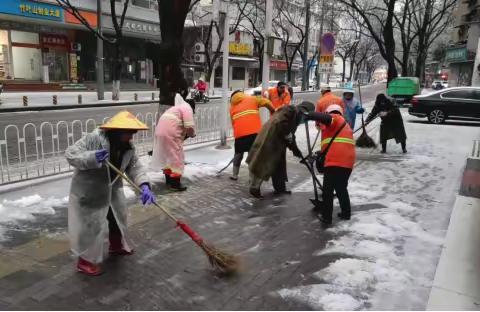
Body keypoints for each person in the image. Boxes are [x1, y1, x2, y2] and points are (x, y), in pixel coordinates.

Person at [65, 111, 155, 276]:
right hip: (90, 190)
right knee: (90, 226)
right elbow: (71, 154)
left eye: (133, 133)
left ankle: (116, 246)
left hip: (112, 189)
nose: (131, 137)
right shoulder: (94, 139)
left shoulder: (127, 148)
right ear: (117, 131)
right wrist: (92, 157)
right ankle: (84, 261)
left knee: (117, 218)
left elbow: (135, 167)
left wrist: (144, 185)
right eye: (128, 133)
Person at [247, 102, 315, 198]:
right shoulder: (290, 110)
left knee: (279, 165)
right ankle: (254, 187)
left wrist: (295, 150)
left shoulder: (295, 116)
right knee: (263, 163)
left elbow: (290, 136)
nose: (304, 120)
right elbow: (282, 123)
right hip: (270, 138)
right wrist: (288, 134)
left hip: (278, 141)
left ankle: (280, 188)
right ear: (304, 110)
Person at [313, 104, 356, 225]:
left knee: (328, 190)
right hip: (347, 162)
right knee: (341, 188)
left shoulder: (335, 118)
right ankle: (346, 213)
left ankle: (327, 217)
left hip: (335, 160)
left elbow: (328, 119)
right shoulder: (344, 126)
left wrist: (309, 114)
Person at [152, 94, 196, 191]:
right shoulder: (187, 108)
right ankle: (175, 184)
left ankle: (169, 181)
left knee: (168, 157)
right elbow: (189, 126)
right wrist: (192, 134)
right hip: (171, 134)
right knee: (177, 158)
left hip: (160, 132)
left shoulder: (175, 108)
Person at [229, 90, 275, 181]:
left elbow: (233, 122)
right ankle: (251, 178)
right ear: (242, 94)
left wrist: (237, 134)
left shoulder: (232, 107)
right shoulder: (252, 99)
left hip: (239, 134)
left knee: (238, 154)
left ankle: (234, 175)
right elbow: (266, 102)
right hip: (253, 131)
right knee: (252, 155)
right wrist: (273, 111)